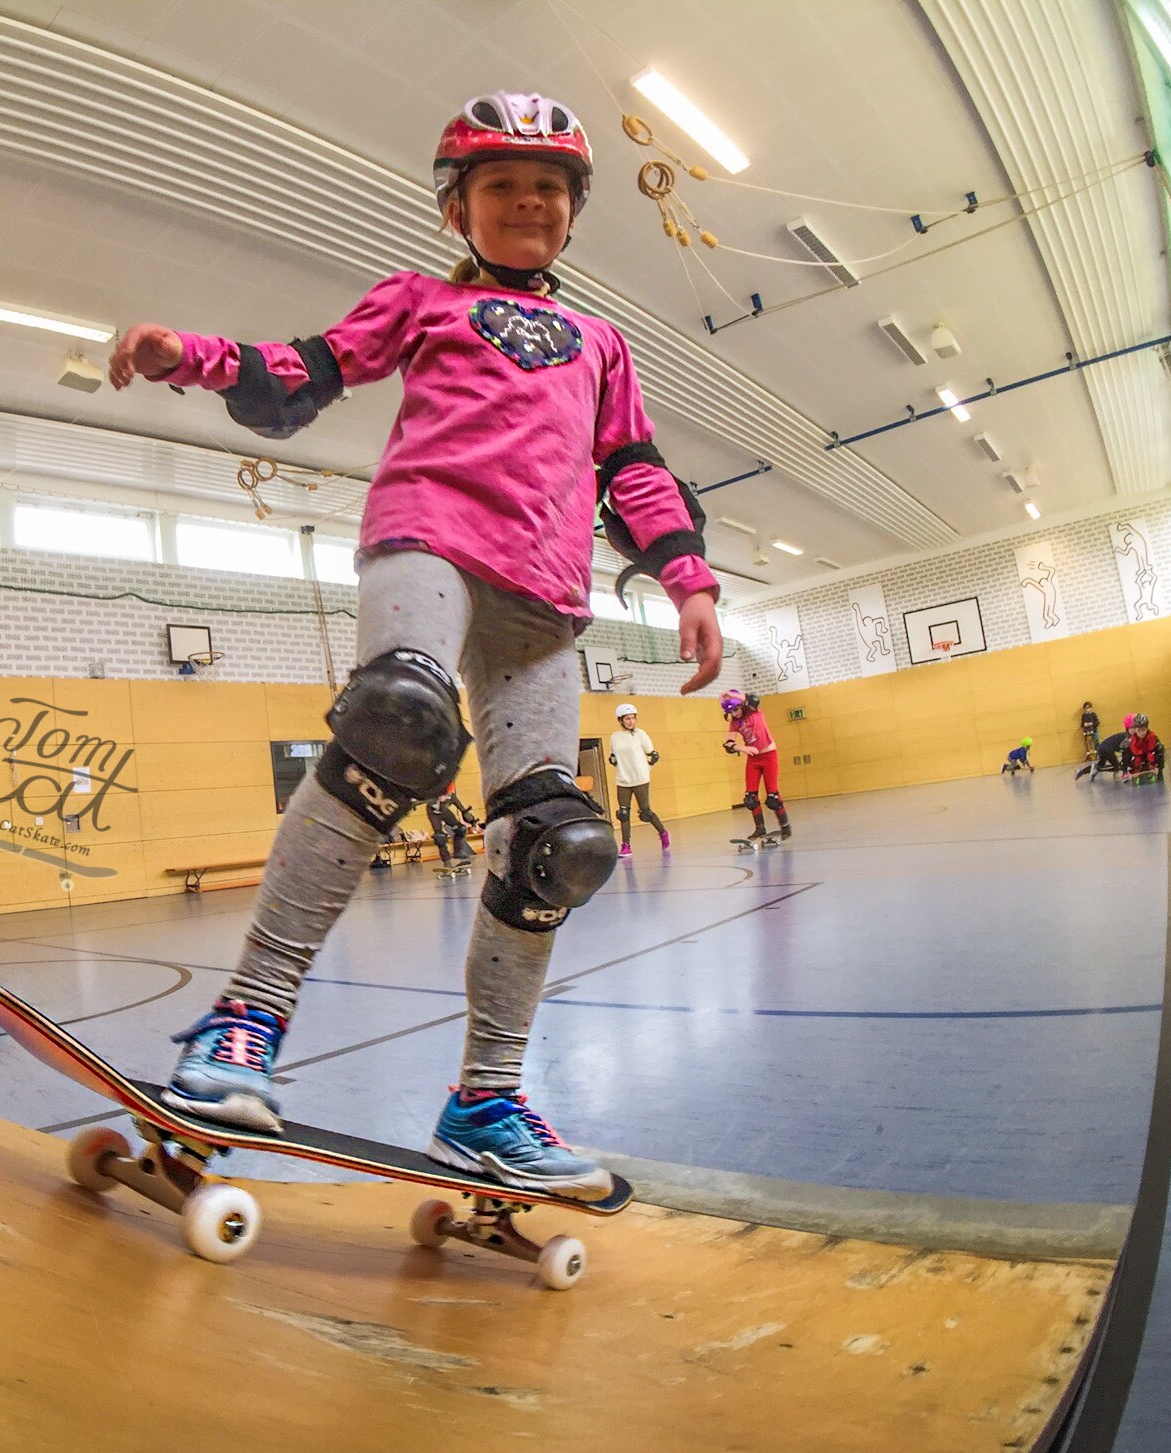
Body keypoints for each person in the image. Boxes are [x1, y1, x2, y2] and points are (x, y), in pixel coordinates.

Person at [105, 90, 723, 1200]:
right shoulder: (418, 301)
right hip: (427, 537)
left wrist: (687, 580)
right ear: (457, 211)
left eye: (547, 186)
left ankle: (485, 1102)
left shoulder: (602, 342)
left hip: (545, 597)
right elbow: (304, 370)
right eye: (499, 185)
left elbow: (631, 469)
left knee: (557, 842)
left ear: (573, 213)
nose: (526, 200)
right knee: (397, 732)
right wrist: (186, 355)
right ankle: (241, 1027)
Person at [721, 689, 790, 842]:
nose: (735, 714)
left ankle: (785, 826)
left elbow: (753, 698)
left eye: (736, 709)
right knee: (750, 798)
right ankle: (760, 828)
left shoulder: (754, 711)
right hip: (753, 759)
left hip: (769, 756)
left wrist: (733, 695)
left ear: (741, 705)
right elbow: (728, 744)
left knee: (773, 797)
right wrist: (742, 748)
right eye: (731, 712)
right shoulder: (734, 722)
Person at [607, 702, 669, 859]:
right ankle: (626, 846)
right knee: (623, 813)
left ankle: (663, 832)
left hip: (640, 779)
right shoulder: (614, 737)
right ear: (620, 720)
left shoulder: (641, 734)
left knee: (646, 812)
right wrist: (613, 760)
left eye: (633, 718)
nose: (630, 721)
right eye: (627, 719)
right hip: (623, 780)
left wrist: (645, 768)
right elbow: (614, 757)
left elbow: (653, 755)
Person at [426, 787, 481, 867]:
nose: (445, 797)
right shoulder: (432, 796)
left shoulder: (452, 796)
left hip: (445, 812)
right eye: (444, 795)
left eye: (448, 795)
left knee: (461, 829)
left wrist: (473, 822)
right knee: (439, 837)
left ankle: (458, 852)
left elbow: (463, 810)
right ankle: (446, 861)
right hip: (433, 814)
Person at [1127, 713, 1163, 781]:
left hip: (1149, 754)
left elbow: (1154, 748)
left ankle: (1159, 770)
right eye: (1138, 731)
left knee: (1160, 748)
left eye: (1143, 730)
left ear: (1147, 729)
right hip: (1138, 756)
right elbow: (1133, 749)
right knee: (1126, 749)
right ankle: (1129, 772)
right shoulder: (1132, 739)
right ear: (1135, 730)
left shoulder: (1152, 736)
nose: (1141, 733)